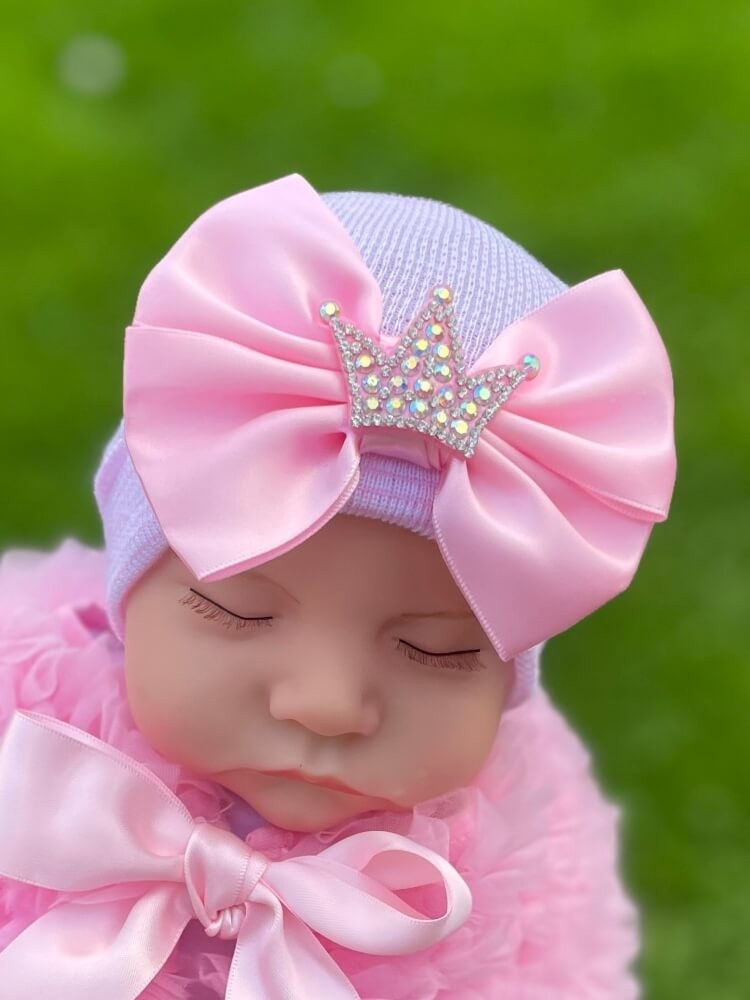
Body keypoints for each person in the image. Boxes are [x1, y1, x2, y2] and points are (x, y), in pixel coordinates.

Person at [0, 172, 676, 998]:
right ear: (127, 590)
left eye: (436, 650)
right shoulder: (20, 766)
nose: (324, 704)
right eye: (236, 606)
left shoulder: (520, 901)